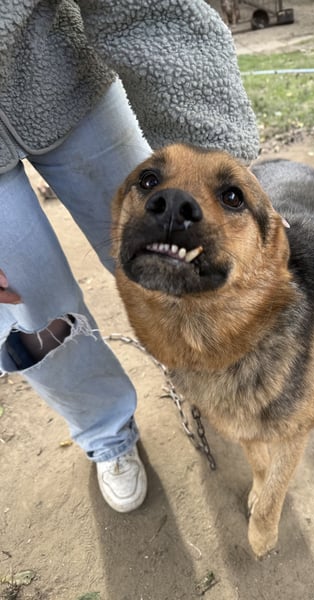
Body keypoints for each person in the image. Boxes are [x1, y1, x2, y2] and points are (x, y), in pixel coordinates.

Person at [0, 1, 259, 513]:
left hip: (67, 82)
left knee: (178, 252)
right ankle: (107, 434)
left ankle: (202, 370)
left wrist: (220, 165)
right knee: (31, 315)